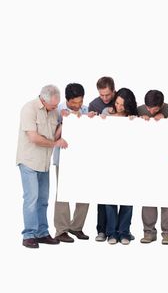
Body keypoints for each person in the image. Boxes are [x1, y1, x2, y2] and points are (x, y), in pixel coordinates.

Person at [16, 85, 68, 248]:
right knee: (31, 199)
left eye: (57, 105)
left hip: (44, 164)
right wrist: (55, 143)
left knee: (43, 200)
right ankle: (29, 235)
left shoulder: (53, 111)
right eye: (53, 105)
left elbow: (55, 134)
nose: (55, 108)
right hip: (29, 161)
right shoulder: (29, 109)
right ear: (43, 100)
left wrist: (64, 122)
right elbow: (34, 137)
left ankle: (42, 233)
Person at [138, 90, 168, 245]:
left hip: (166, 159)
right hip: (145, 160)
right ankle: (148, 232)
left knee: (166, 197)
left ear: (161, 105)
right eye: (148, 107)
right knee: (148, 196)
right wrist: (139, 119)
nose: (150, 111)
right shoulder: (140, 109)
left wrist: (167, 120)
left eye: (153, 109)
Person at [53, 83, 89, 243]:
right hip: (64, 158)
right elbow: (52, 138)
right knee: (63, 194)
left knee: (84, 193)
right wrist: (63, 121)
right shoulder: (56, 110)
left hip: (85, 159)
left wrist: (94, 119)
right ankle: (61, 230)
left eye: (80, 102)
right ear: (67, 100)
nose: (77, 105)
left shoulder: (87, 110)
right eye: (74, 103)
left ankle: (77, 227)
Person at [102, 88, 138, 245]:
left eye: (123, 105)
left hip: (129, 164)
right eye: (117, 103)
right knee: (109, 199)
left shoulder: (133, 118)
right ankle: (111, 233)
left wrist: (139, 120)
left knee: (127, 199)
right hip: (109, 163)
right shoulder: (107, 112)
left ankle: (124, 232)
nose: (118, 107)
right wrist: (99, 119)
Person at [88, 76, 116, 242]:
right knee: (102, 195)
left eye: (107, 95)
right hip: (101, 156)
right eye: (102, 95)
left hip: (121, 155)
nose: (104, 98)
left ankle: (118, 231)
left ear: (113, 90)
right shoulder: (94, 104)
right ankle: (102, 230)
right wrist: (89, 118)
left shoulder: (120, 100)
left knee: (121, 195)